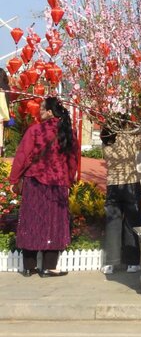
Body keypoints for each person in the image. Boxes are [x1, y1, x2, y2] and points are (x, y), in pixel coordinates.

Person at [9, 96, 78, 277]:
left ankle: (29, 266)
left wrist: (14, 179)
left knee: (31, 221)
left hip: (35, 181)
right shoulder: (69, 133)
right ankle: (49, 266)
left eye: (41, 109)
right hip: (58, 183)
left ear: (49, 112)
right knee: (54, 224)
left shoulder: (35, 130)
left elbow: (23, 156)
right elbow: (73, 160)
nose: (39, 112)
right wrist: (69, 180)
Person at [100, 117, 141, 274]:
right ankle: (132, 262)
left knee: (113, 224)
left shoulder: (106, 138)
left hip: (112, 184)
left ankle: (110, 263)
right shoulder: (131, 136)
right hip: (131, 183)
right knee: (132, 223)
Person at [0, 68, 10, 157]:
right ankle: (1, 150)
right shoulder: (6, 87)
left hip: (1, 112)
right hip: (4, 113)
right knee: (1, 133)